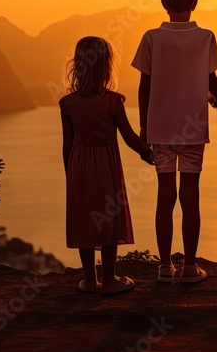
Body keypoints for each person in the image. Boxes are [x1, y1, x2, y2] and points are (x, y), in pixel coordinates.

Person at [132, 0, 217, 284]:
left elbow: (143, 87)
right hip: (192, 130)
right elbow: (210, 79)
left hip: (159, 129)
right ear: (195, 2)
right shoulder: (205, 38)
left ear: (163, 2)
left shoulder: (151, 38)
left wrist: (144, 129)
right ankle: (189, 266)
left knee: (165, 196)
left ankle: (163, 266)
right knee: (191, 197)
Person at [60, 36, 154, 295]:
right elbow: (129, 137)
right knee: (109, 221)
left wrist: (70, 174)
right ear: (106, 66)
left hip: (79, 168)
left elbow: (67, 145)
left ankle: (90, 281)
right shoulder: (113, 102)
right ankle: (110, 280)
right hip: (106, 167)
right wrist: (149, 154)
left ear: (77, 65)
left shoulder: (68, 104)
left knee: (84, 221)